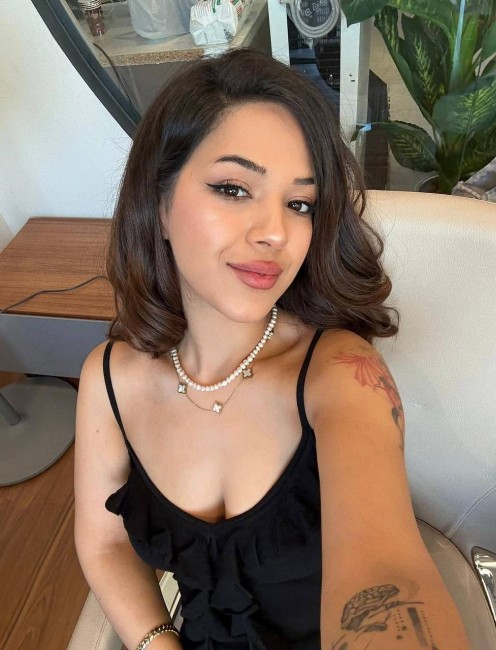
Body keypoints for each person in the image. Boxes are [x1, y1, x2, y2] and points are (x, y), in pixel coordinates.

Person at [74, 48, 470, 650]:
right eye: (234, 188)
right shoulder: (110, 380)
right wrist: (158, 641)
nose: (276, 233)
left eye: (300, 203)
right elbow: (103, 543)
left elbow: (387, 574)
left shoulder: (341, 373)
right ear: (158, 202)